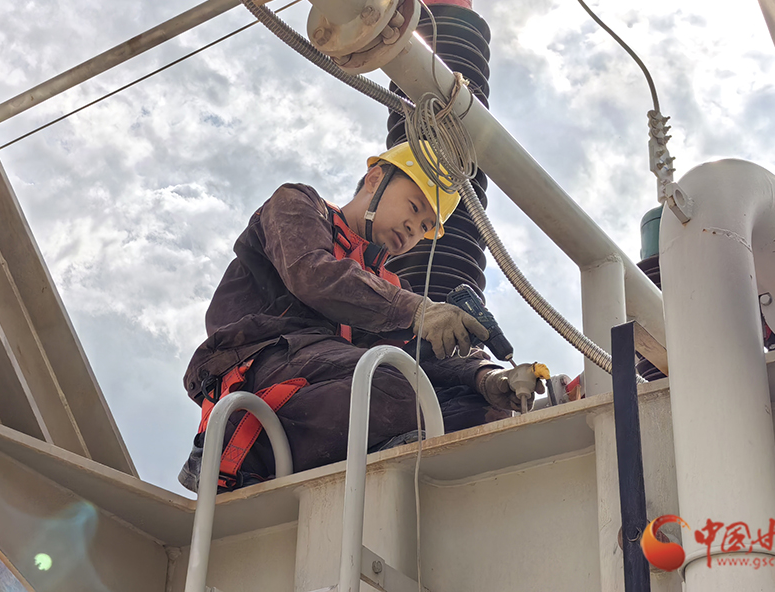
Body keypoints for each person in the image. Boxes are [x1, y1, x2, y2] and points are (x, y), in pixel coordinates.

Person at [179, 142, 542, 492]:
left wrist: (486, 377)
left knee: (478, 408)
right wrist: (417, 310)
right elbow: (313, 275)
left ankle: (387, 456)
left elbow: (421, 353)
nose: (413, 229)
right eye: (414, 207)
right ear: (374, 179)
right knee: (393, 384)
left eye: (425, 227)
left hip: (327, 383)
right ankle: (236, 451)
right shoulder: (297, 204)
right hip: (261, 361)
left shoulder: (389, 286)